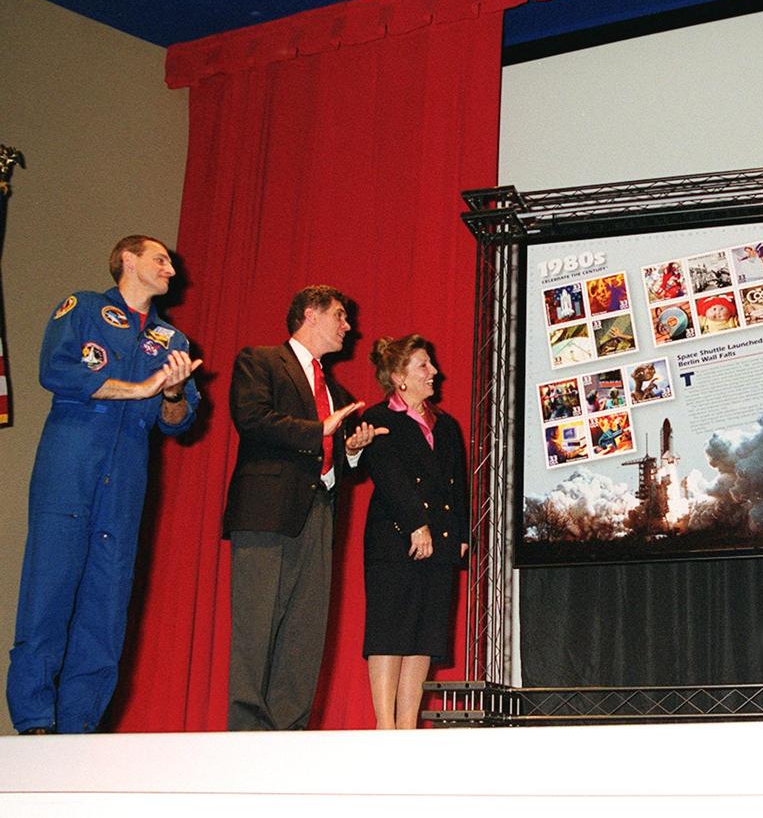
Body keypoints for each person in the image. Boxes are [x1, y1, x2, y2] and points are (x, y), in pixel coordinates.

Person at [7, 235, 202, 734]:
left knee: (107, 607)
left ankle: (79, 728)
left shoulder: (172, 341)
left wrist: (174, 391)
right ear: (128, 261)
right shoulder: (84, 308)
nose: (170, 271)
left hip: (127, 480)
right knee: (48, 591)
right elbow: (55, 369)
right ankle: (34, 719)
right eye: (161, 260)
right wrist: (136, 389)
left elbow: (177, 422)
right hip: (70, 468)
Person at [222, 285, 384, 730]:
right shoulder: (260, 360)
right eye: (340, 316)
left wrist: (351, 449)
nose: (348, 327)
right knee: (256, 628)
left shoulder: (336, 389)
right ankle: (246, 736)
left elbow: (340, 457)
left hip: (320, 511)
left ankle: (290, 734)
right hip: (266, 512)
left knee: (305, 633)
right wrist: (320, 429)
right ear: (310, 315)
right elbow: (252, 419)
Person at [361, 335, 469, 728]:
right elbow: (390, 478)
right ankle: (384, 726)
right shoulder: (378, 420)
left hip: (440, 541)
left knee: (424, 633)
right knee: (391, 629)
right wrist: (415, 525)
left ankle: (407, 726)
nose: (434, 372)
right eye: (423, 366)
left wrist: (461, 534)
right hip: (394, 540)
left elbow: (458, 484)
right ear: (398, 377)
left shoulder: (446, 425)